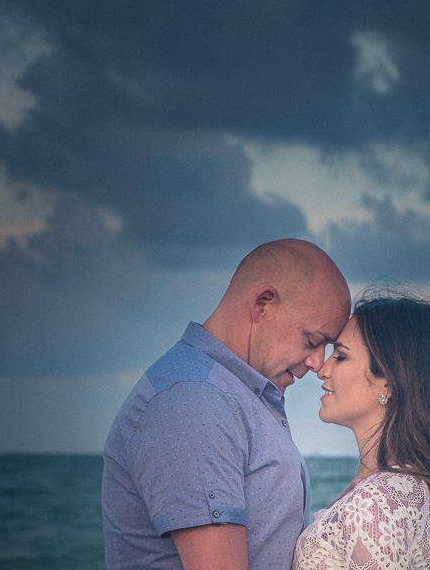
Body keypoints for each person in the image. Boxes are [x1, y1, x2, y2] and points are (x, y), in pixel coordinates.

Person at [102, 239, 351, 570]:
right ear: (262, 304)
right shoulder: (194, 402)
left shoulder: (234, 395)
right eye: (312, 341)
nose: (318, 363)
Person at [292, 295, 430, 570]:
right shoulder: (404, 489)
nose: (322, 370)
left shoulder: (375, 503)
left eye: (341, 356)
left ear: (389, 383)